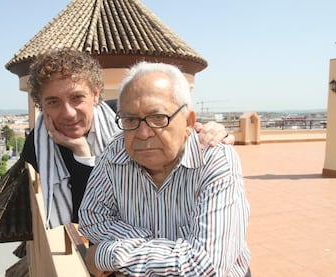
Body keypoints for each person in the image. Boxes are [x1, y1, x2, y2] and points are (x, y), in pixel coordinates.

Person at [21, 48, 234, 229]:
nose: (68, 113)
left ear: (95, 94)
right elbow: (86, 218)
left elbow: (179, 127)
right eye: (53, 102)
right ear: (41, 104)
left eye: (77, 97)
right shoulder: (38, 148)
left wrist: (212, 131)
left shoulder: (125, 116)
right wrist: (81, 154)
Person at [78, 61, 250, 276]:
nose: (142, 133)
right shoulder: (116, 150)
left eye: (158, 118)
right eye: (130, 119)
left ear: (188, 122)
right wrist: (168, 248)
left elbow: (206, 268)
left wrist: (110, 253)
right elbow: (91, 217)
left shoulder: (215, 159)